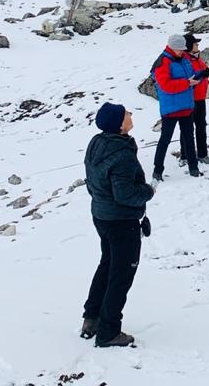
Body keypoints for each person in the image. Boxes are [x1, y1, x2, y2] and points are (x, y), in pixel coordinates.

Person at [82, 102, 154, 348]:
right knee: (121, 274)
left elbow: (91, 180)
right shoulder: (121, 154)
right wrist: (147, 191)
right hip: (121, 221)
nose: (131, 114)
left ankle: (92, 318)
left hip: (102, 216)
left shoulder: (97, 143)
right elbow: (125, 194)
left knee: (107, 264)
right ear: (119, 125)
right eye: (126, 114)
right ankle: (108, 331)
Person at [151, 35, 201, 181]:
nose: (182, 52)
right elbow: (166, 85)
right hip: (171, 109)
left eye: (183, 49)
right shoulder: (162, 62)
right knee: (165, 139)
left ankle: (193, 167)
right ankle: (157, 170)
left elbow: (190, 75)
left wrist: (198, 78)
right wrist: (187, 83)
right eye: (179, 49)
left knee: (189, 138)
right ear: (172, 48)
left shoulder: (184, 58)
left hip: (186, 105)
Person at [185, 32, 209, 165]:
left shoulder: (197, 58)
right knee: (187, 129)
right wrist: (202, 75)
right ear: (189, 46)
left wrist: (205, 72)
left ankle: (202, 153)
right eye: (195, 43)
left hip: (201, 99)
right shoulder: (185, 60)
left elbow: (203, 70)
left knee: (201, 127)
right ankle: (185, 155)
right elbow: (190, 78)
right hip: (189, 100)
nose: (197, 45)